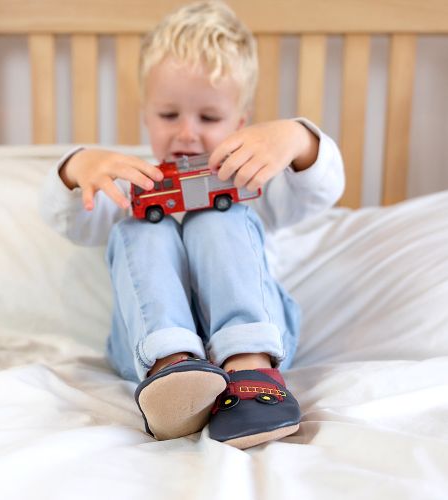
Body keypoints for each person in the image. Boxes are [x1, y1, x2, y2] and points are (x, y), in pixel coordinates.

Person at [40, 0, 344, 449]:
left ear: (241, 123)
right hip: (146, 350)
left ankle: (251, 368)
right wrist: (76, 169)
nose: (186, 133)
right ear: (146, 115)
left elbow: (320, 190)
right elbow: (70, 219)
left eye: (209, 118)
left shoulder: (250, 181)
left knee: (216, 218)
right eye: (168, 116)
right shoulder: (133, 186)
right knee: (138, 226)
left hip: (263, 334)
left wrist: (297, 139)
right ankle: (172, 373)